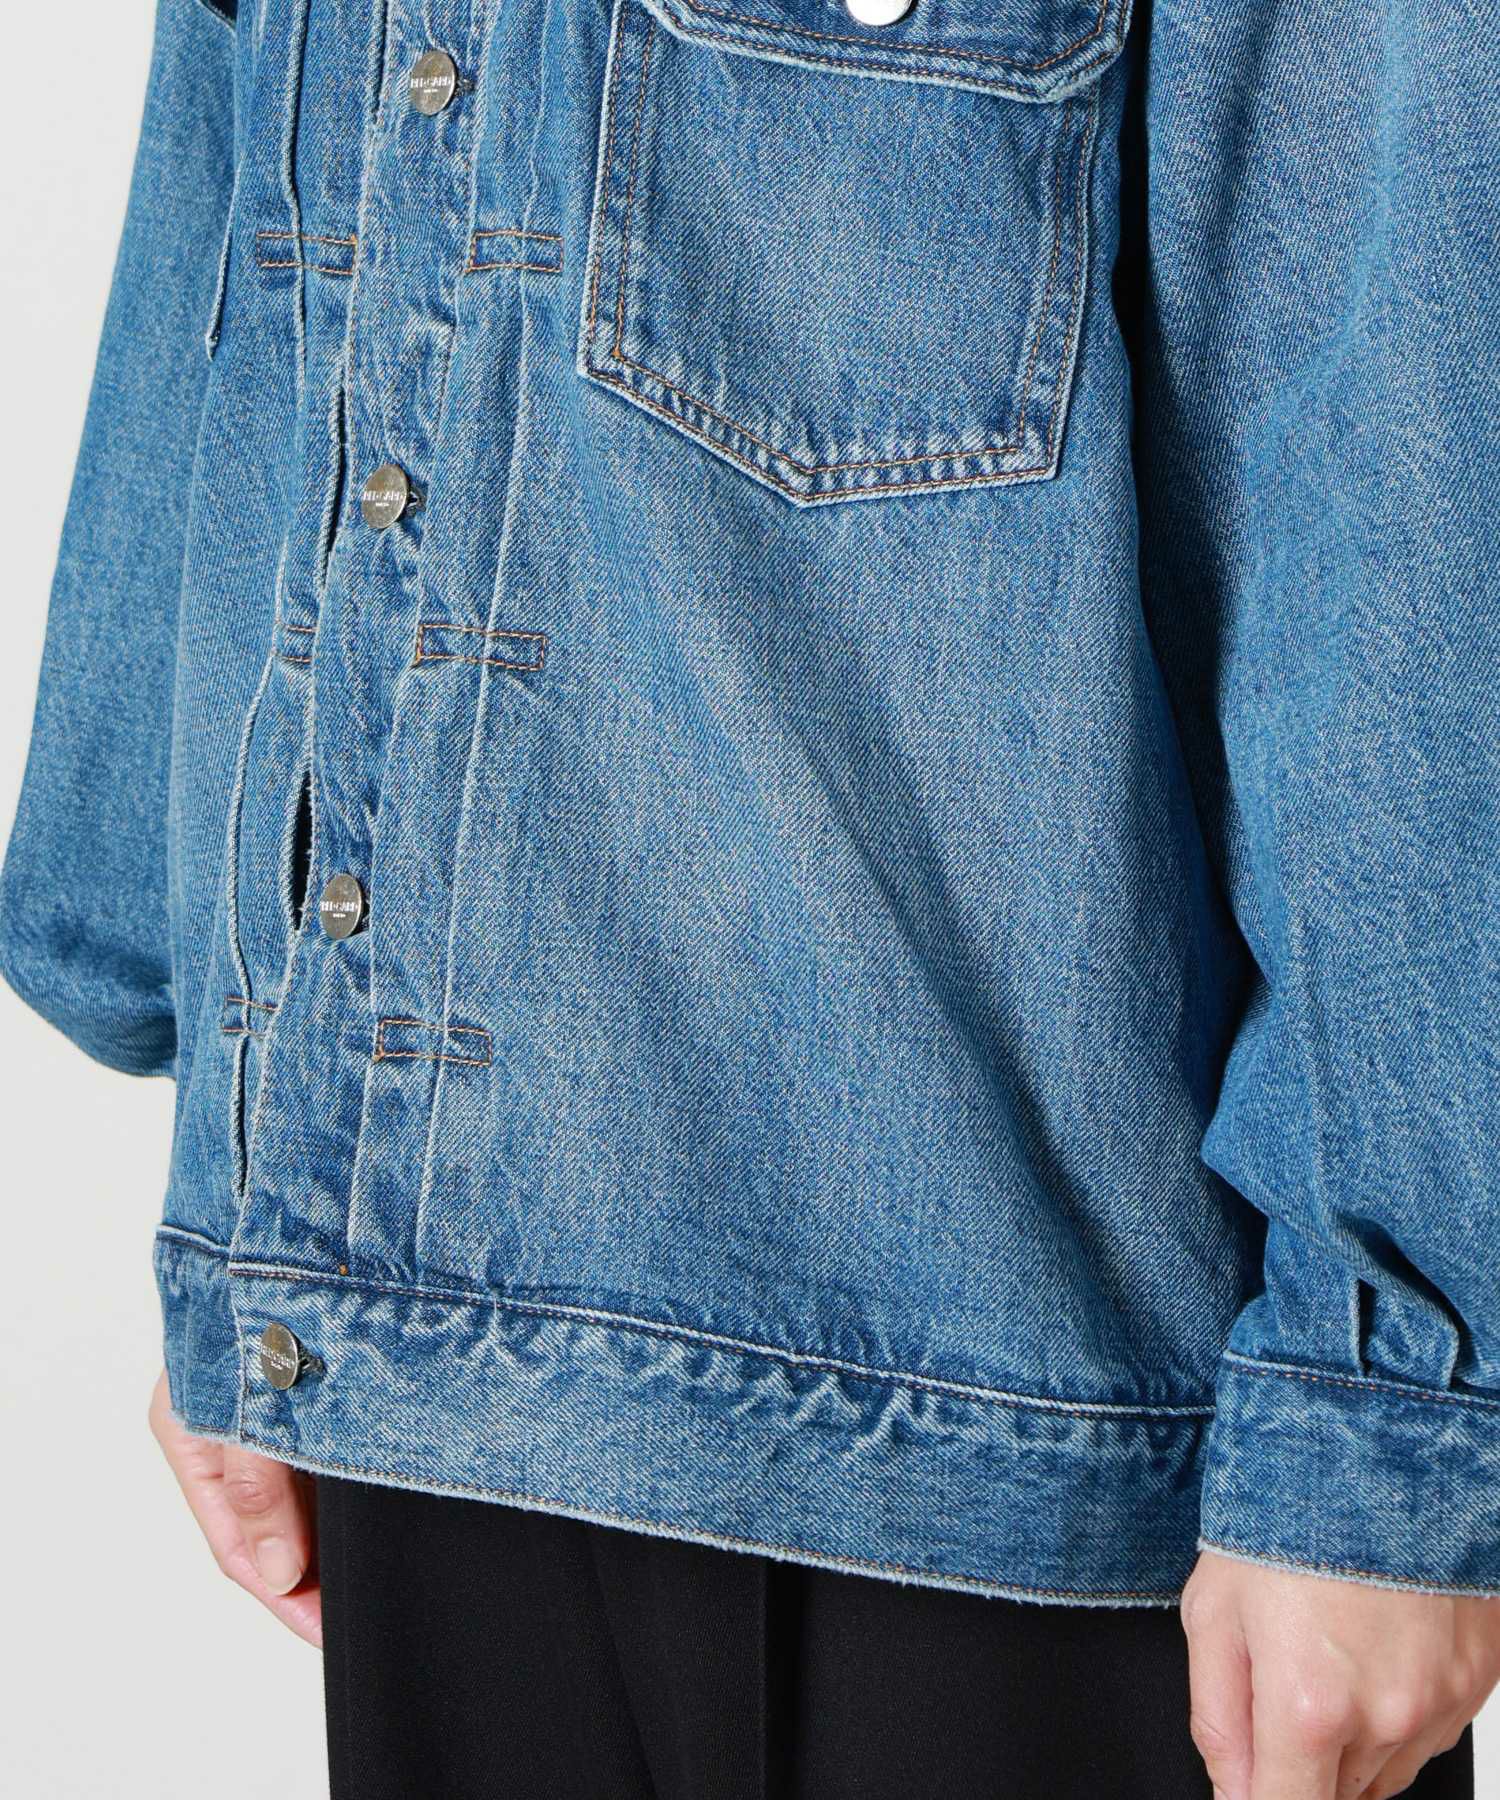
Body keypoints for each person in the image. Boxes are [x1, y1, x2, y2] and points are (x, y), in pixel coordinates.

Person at [3, 0, 1497, 1793]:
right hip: (428, 1324)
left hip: (1030, 1421)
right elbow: (253, 198)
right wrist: (254, 1183)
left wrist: (1394, 1409)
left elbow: (1394, 408)